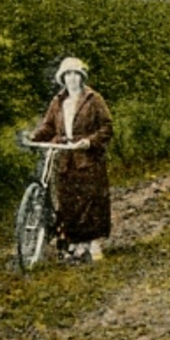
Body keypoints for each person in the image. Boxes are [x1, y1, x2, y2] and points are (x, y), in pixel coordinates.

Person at [28, 56, 113, 263]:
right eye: (68, 75)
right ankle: (74, 244)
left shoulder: (93, 99)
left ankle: (93, 244)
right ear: (62, 78)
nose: (72, 79)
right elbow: (48, 127)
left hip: (87, 158)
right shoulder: (58, 101)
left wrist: (89, 142)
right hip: (65, 156)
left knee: (90, 200)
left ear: (81, 77)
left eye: (76, 74)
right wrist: (34, 136)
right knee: (68, 201)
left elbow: (106, 127)